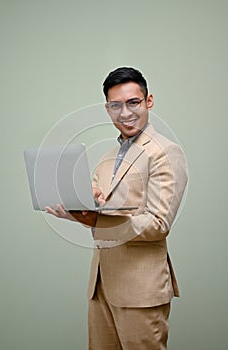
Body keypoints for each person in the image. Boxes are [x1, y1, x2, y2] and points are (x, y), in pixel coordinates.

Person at [46, 67, 188, 350]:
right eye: (116, 105)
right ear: (107, 109)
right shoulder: (107, 158)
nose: (125, 113)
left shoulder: (165, 151)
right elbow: (101, 214)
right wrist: (79, 211)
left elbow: (158, 224)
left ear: (149, 101)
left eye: (133, 102)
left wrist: (98, 220)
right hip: (100, 287)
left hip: (141, 289)